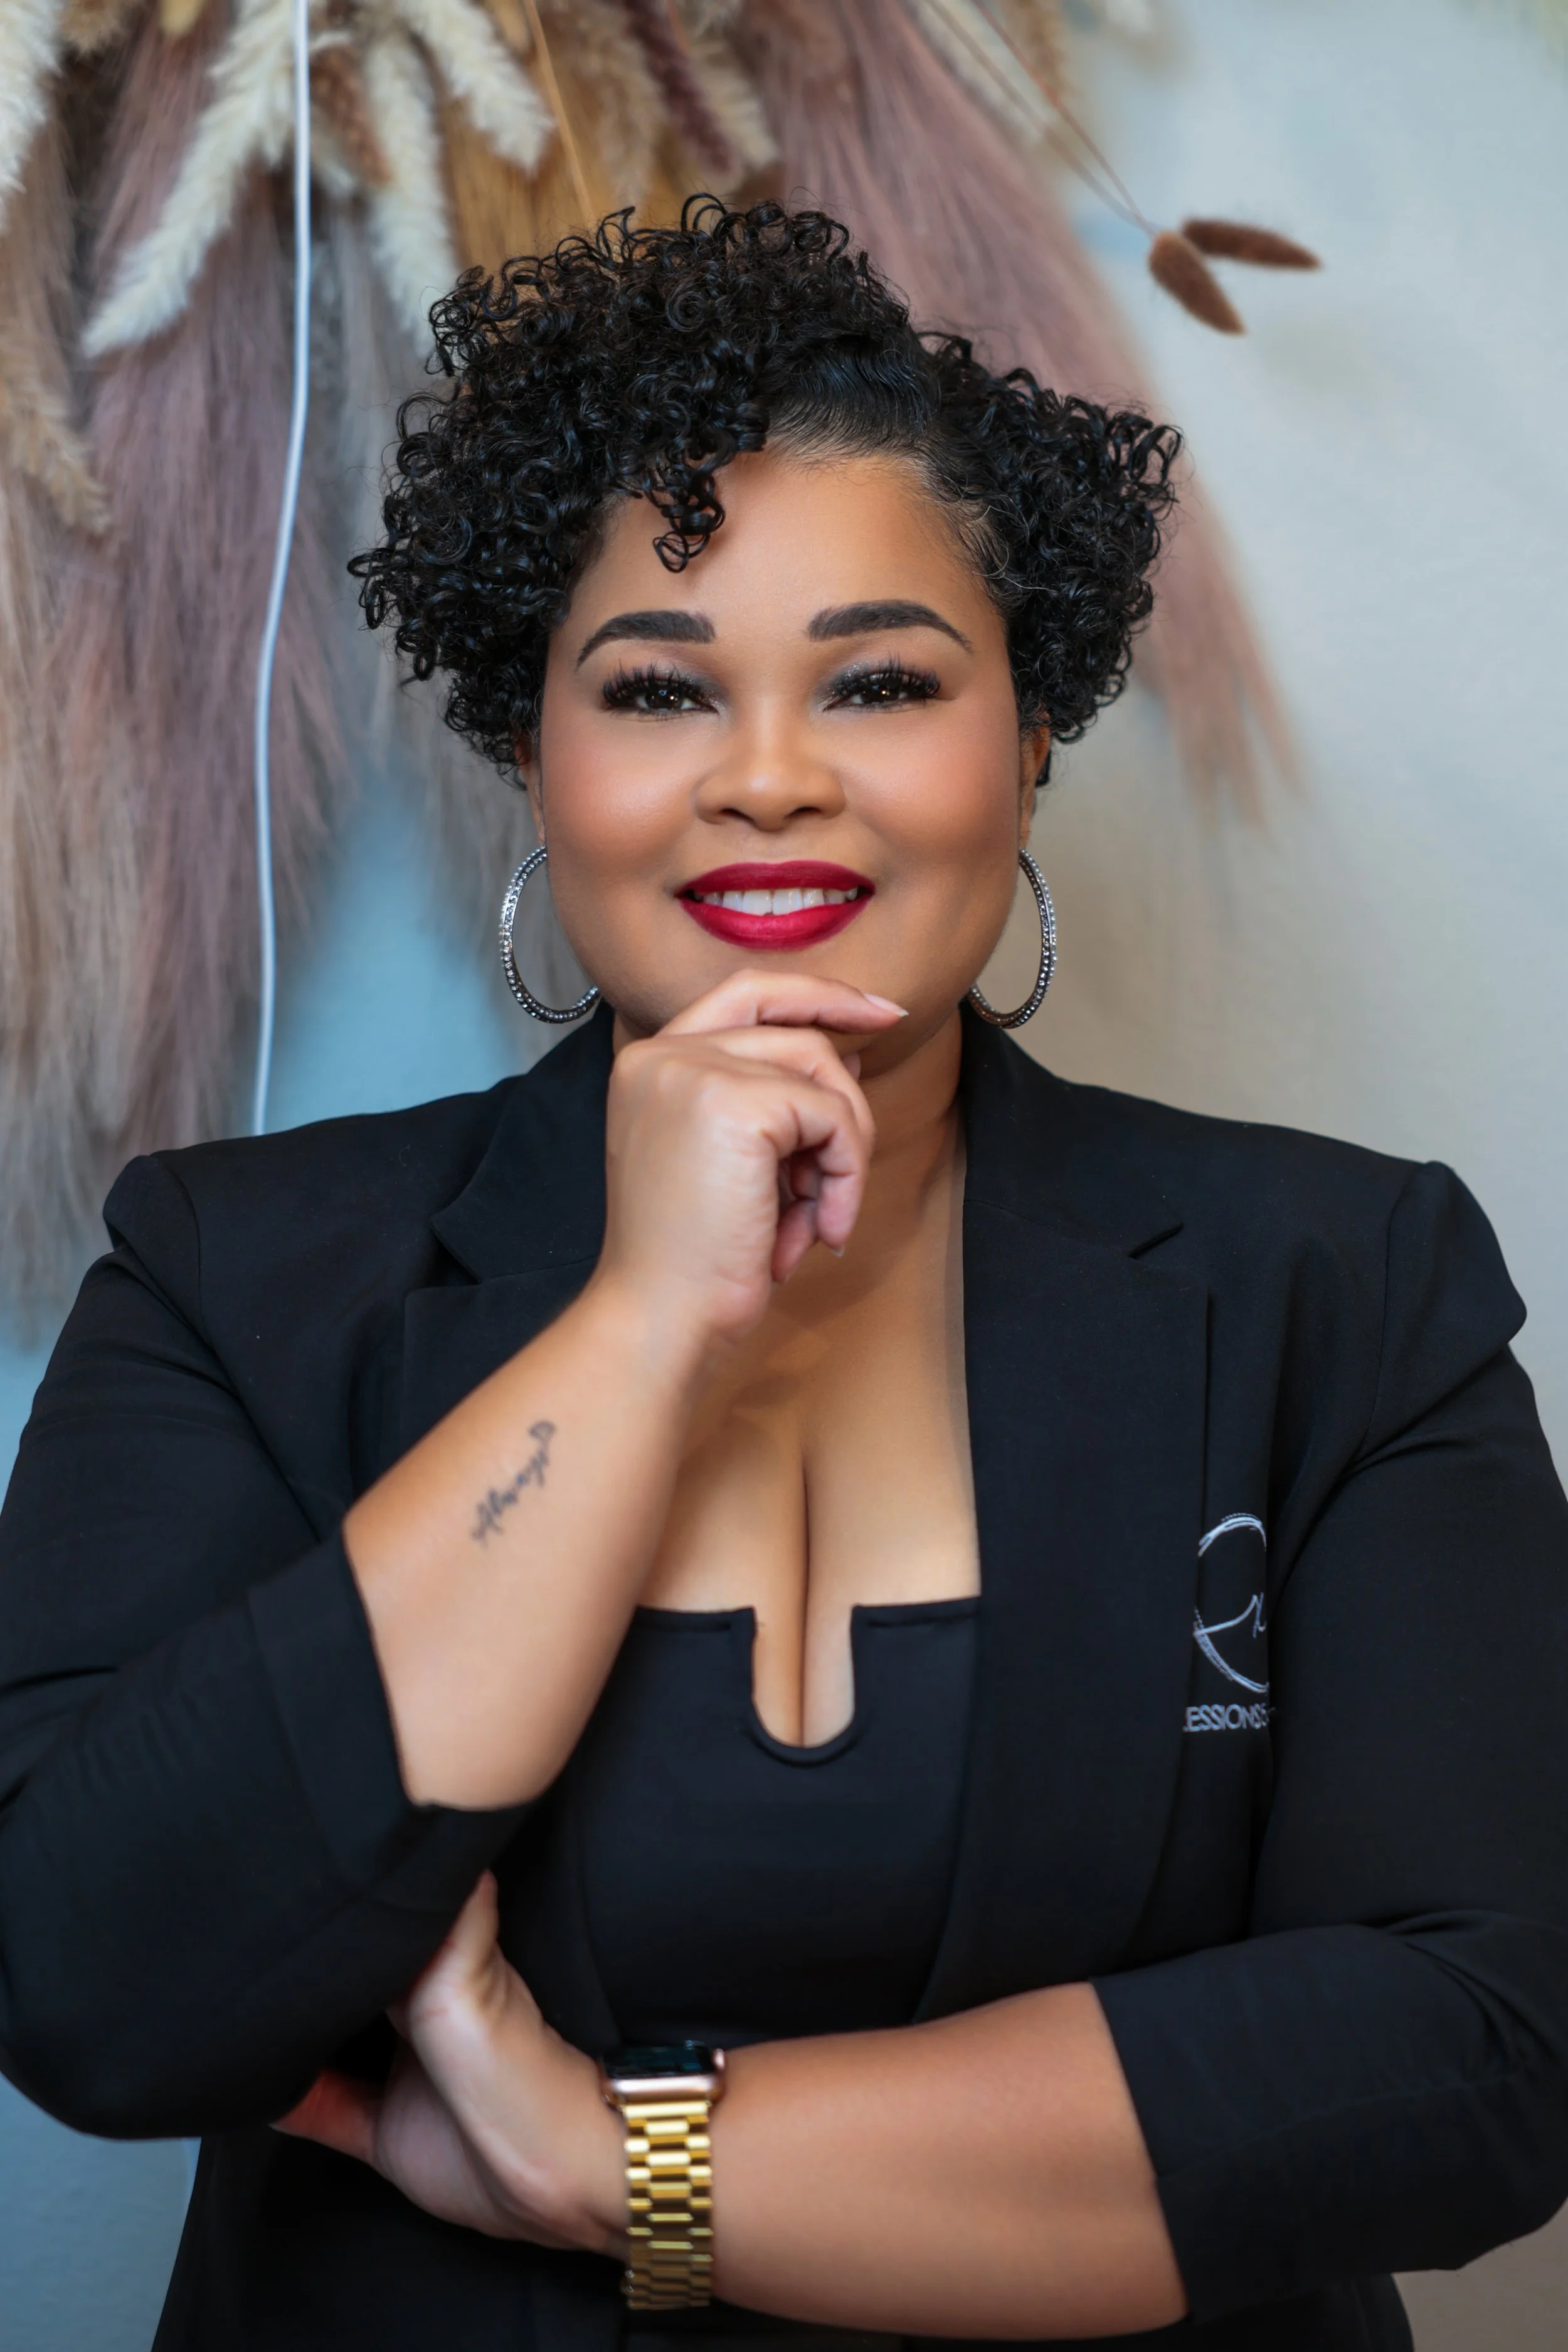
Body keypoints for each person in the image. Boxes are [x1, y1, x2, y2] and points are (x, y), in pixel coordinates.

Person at [2, 199, 1567, 2352]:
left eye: (880, 681)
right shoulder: (233, 1277)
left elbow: (1470, 2048)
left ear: (1028, 734)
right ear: (531, 751)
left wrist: (608, 2158)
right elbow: (94, 1983)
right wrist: (641, 1325)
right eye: (657, 687)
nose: (765, 776)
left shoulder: (1348, 1287)